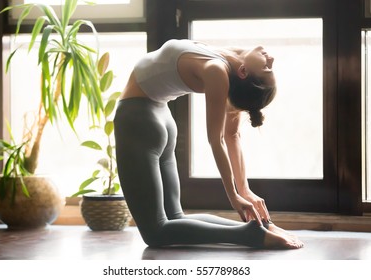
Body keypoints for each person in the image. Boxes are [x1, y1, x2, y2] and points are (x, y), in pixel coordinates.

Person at [114, 39, 303, 249]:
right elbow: (232, 135)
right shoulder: (229, 60)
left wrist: (235, 194)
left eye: (267, 68)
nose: (271, 59)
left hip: (137, 118)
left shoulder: (218, 70)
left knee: (155, 232)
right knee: (175, 217)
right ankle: (260, 228)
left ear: (243, 72)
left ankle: (252, 235)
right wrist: (243, 189)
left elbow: (219, 139)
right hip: (159, 118)